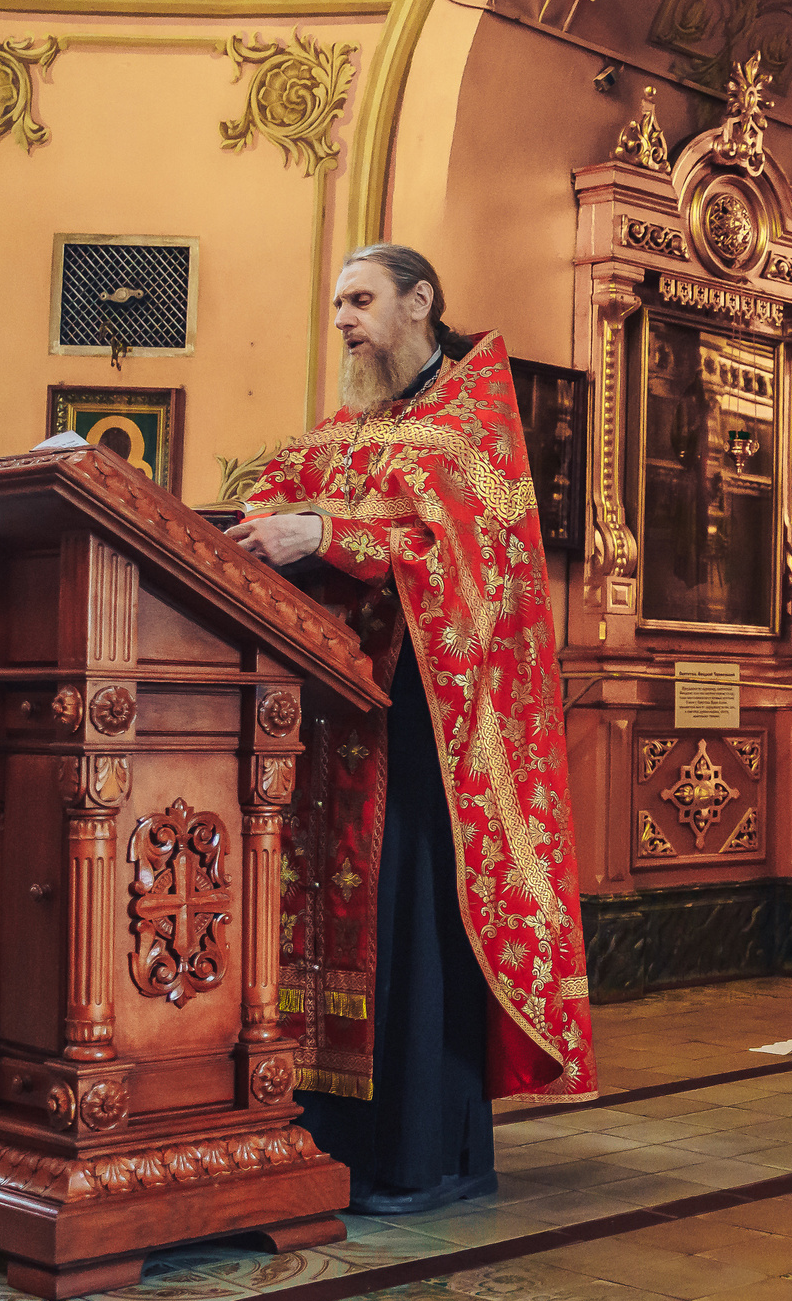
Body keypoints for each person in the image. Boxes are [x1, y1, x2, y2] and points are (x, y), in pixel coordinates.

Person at [229, 244, 595, 1213]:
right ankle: (323, 1140)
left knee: (412, 925)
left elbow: (470, 563)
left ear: (421, 299)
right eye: (336, 303)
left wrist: (328, 535)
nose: (343, 319)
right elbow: (283, 478)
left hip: (432, 735)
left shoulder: (473, 423)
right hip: (340, 726)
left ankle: (421, 1153)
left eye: (360, 300)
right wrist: (282, 516)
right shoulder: (366, 425)